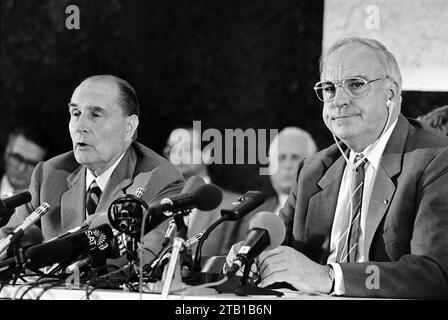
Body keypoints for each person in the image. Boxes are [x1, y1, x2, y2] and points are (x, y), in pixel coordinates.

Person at [228, 37, 448, 299]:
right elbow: (281, 252)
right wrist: (254, 258)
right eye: (330, 88)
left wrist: (330, 277)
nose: (338, 100)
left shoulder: (436, 160)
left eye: (356, 85)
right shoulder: (312, 171)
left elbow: (432, 274)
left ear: (390, 93)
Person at [0, 75, 184, 262]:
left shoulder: (160, 179)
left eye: (95, 115)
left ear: (128, 128)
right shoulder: (48, 175)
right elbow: (9, 240)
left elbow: (145, 261)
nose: (80, 126)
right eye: (76, 113)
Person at [164, 127, 240, 258]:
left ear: (207, 154)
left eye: (187, 149)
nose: (178, 155)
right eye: (172, 149)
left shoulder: (232, 204)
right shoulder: (160, 203)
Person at [267, 127, 318, 215]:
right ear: (270, 166)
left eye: (295, 157)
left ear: (313, 166)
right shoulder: (251, 216)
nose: (288, 165)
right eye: (282, 158)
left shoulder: (327, 212)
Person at [1, 126, 48, 197]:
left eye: (31, 163)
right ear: (7, 153)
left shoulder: (46, 200)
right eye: (18, 158)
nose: (22, 168)